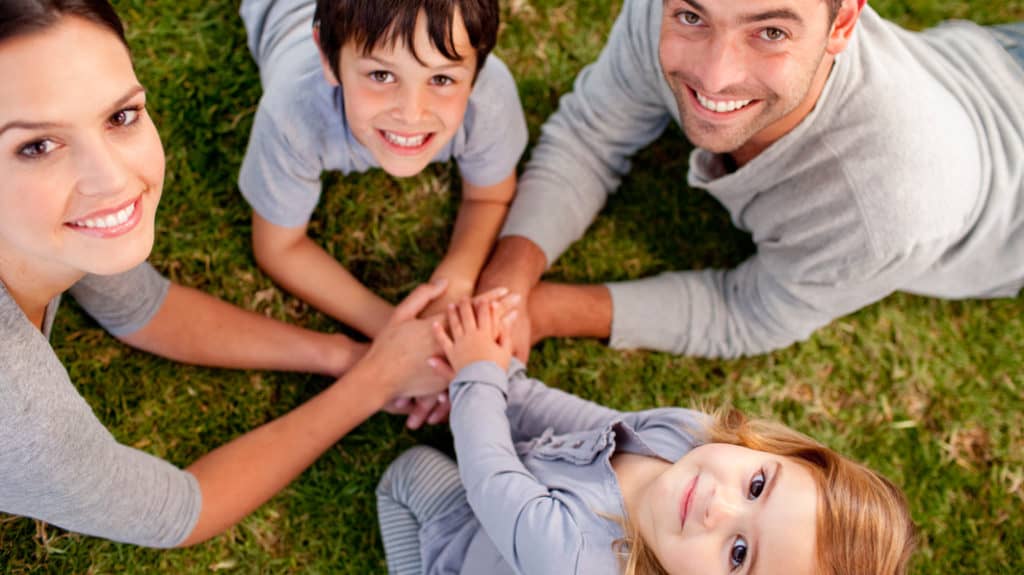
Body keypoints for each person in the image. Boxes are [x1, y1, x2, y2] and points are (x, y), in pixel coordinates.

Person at [0, 0, 483, 548]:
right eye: (35, 146)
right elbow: (179, 512)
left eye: (121, 116)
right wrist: (373, 383)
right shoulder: (15, 414)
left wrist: (351, 356)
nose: (110, 179)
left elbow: (138, 307)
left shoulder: (50, 237)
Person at [477, 0, 1024, 359]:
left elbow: (749, 311)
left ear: (842, 25)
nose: (715, 77)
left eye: (770, 31)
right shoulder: (664, 7)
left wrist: (544, 311)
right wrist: (501, 292)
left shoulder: (887, 206)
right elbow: (592, 132)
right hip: (990, 55)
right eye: (692, 18)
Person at [375, 297, 917, 574]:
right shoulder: (687, 437)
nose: (716, 508)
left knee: (408, 474)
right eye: (756, 486)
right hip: (522, 484)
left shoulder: (580, 563)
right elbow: (573, 419)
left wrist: (475, 376)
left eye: (738, 554)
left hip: (479, 539)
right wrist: (493, 374)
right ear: (769, 450)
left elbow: (488, 475)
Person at [237, 0, 526, 410]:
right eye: (381, 74)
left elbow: (490, 195)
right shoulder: (292, 111)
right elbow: (278, 246)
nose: (411, 112)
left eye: (442, 78)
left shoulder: (490, 96)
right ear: (326, 56)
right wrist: (393, 328)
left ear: (478, 66)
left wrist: (455, 282)